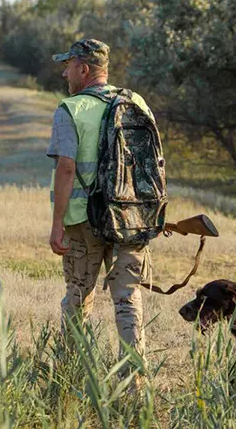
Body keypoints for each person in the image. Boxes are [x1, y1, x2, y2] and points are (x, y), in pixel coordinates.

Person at [46, 39, 151, 377]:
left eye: (69, 65)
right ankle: (135, 385)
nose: (65, 72)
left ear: (84, 69)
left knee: (78, 299)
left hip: (83, 222)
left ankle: (70, 376)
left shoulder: (71, 108)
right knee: (128, 301)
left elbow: (66, 167)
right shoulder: (136, 102)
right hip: (131, 220)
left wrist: (57, 222)